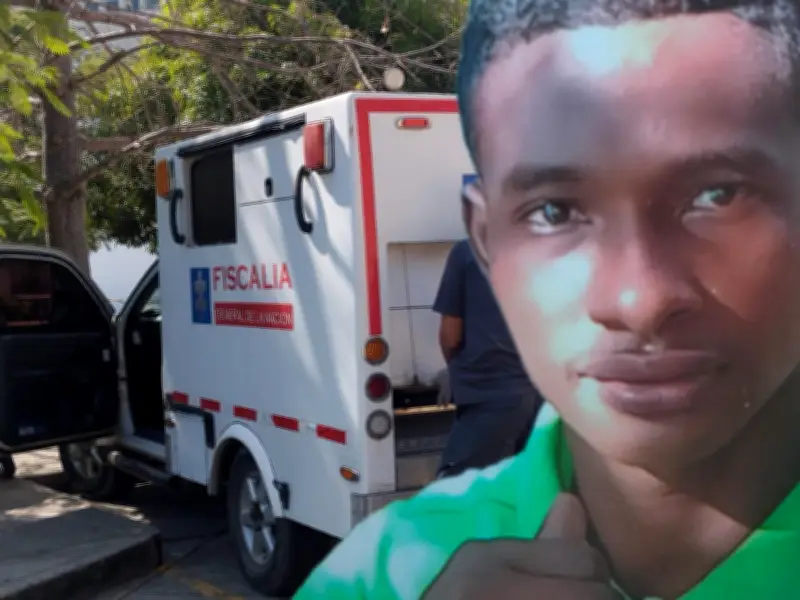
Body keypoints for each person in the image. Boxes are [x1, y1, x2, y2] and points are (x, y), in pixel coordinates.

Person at [294, 0, 800, 598]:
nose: (638, 301)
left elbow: (449, 335)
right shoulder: (375, 575)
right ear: (487, 243)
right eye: (554, 211)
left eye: (718, 195)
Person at [432, 235, 542, 479]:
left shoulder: (467, 253)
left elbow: (450, 336)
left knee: (458, 492)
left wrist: (456, 371)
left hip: (488, 398)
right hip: (540, 402)